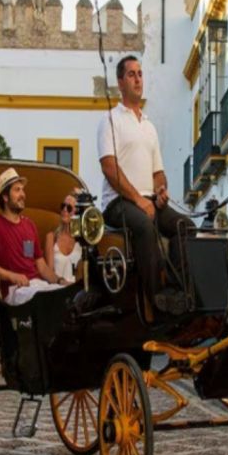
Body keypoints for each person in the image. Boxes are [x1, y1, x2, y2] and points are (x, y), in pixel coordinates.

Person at [97, 55, 193, 315]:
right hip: (118, 204)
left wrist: (160, 192)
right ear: (120, 82)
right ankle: (157, 297)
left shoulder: (149, 126)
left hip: (148, 201)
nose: (138, 79)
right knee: (144, 224)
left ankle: (178, 291)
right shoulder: (110, 120)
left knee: (185, 226)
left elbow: (158, 173)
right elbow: (109, 167)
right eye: (131, 74)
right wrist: (139, 200)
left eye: (140, 74)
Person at [0, 167, 69, 306]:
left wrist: (61, 281)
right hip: (14, 290)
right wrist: (12, 276)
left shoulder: (30, 225)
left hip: (36, 285)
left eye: (22, 190)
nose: (23, 194)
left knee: (66, 294)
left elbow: (42, 267)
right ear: (5, 197)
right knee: (46, 299)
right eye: (17, 190)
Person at [44, 191, 82, 283]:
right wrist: (62, 283)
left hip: (77, 290)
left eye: (69, 208)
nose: (65, 209)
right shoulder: (51, 237)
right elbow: (49, 273)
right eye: (63, 206)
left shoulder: (83, 241)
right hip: (57, 287)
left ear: (77, 213)